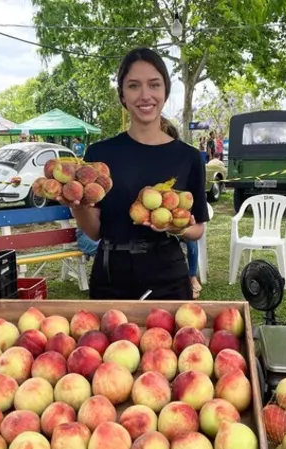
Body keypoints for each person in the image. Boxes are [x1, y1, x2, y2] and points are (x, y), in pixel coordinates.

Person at [57, 47, 209, 300]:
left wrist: (175, 227)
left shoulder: (189, 157)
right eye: (133, 85)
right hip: (111, 273)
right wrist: (78, 205)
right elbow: (95, 232)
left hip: (168, 274)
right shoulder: (100, 154)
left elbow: (198, 228)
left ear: (165, 92)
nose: (145, 95)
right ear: (122, 95)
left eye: (154, 84)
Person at [161, 120, 204, 299]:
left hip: (178, 222)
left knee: (192, 246)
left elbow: (197, 222)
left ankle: (192, 277)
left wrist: (182, 227)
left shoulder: (184, 164)